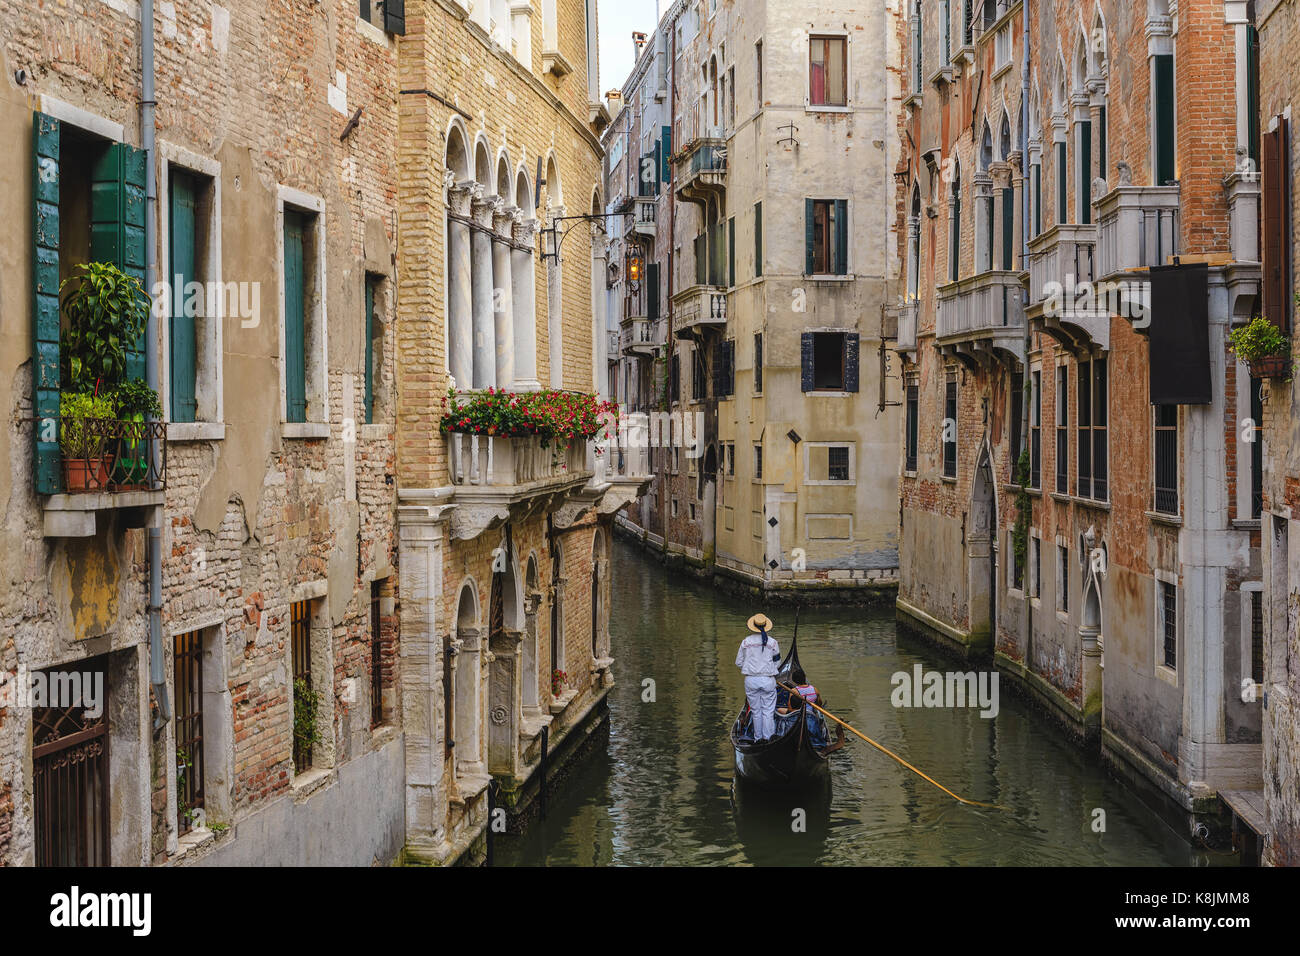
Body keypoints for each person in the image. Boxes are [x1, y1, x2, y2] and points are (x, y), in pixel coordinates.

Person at [736, 613, 781, 740]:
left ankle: (758, 739)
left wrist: (751, 669)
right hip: (768, 680)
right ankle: (768, 739)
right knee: (768, 711)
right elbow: (777, 662)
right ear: (766, 626)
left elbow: (739, 662)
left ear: (753, 626)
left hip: (751, 680)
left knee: (756, 711)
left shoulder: (746, 642)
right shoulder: (773, 643)